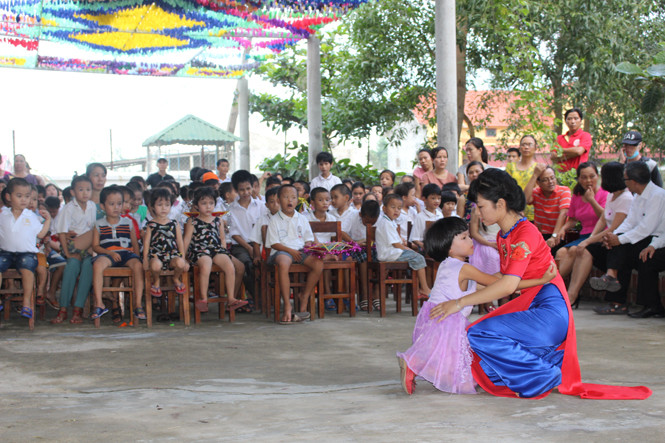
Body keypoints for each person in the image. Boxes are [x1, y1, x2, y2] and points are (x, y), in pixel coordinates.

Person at [428, 168, 652, 400]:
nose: (477, 212)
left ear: (501, 204)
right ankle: (551, 362)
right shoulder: (505, 235)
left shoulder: (524, 234)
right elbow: (501, 280)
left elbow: (506, 286)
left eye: (481, 206)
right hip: (533, 309)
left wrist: (459, 302)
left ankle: (546, 373)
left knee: (477, 334)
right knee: (481, 367)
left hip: (548, 313)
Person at [397, 217, 556, 395]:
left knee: (454, 373)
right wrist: (540, 280)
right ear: (448, 246)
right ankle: (413, 362)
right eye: (464, 238)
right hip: (447, 323)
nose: (471, 240)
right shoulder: (464, 269)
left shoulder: (448, 265)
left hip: (437, 319)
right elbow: (501, 284)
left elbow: (487, 285)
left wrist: (511, 272)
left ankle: (413, 364)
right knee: (462, 381)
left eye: (468, 236)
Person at [589, 161, 665, 315]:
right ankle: (615, 295)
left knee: (630, 251)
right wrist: (614, 236)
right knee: (609, 248)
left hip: (656, 240)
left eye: (625, 179)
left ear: (634, 181)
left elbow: (646, 228)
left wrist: (619, 239)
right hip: (645, 238)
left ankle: (649, 305)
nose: (623, 183)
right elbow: (630, 222)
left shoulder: (658, 196)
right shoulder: (638, 195)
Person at [565, 162, 632, 307]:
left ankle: (573, 295)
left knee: (585, 247)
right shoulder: (612, 196)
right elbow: (603, 219)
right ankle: (572, 294)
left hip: (622, 245)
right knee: (583, 250)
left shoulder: (626, 198)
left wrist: (588, 241)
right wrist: (589, 240)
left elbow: (614, 228)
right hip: (610, 242)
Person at [265, 184, 324, 324]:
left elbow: (308, 239)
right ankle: (287, 305)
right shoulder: (274, 220)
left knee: (318, 263)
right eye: (285, 197)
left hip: (300, 250)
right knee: (284, 264)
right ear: (278, 200)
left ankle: (304, 295)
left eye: (293, 197)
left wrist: (310, 245)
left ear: (298, 201)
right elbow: (274, 243)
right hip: (282, 251)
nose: (289, 200)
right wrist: (290, 251)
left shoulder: (302, 218)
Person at [184, 187, 247, 313]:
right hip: (200, 250)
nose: (208, 206)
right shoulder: (192, 221)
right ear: (196, 205)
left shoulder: (218, 220)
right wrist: (183, 257)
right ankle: (203, 298)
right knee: (206, 265)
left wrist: (224, 252)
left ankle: (231, 298)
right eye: (204, 203)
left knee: (230, 266)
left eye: (211, 203)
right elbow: (186, 240)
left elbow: (222, 238)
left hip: (217, 249)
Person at [90, 186, 146, 321]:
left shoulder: (128, 222)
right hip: (107, 254)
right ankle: (99, 304)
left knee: (138, 266)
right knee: (97, 265)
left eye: (119, 204)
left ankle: (137, 304)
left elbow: (134, 243)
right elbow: (95, 246)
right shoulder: (99, 224)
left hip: (126, 254)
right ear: (102, 206)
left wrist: (138, 258)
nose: (116, 207)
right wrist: (108, 252)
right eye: (111, 204)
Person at [0, 178, 51, 320]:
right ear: (8, 197)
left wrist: (48, 221)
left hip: (27, 253)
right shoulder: (2, 214)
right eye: (19, 196)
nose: (24, 200)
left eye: (27, 196)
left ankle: (26, 301)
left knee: (28, 270)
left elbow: (40, 234)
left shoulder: (32, 216)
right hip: (6, 252)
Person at [52, 175, 96, 325]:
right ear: (72, 192)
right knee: (71, 266)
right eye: (81, 190)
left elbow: (93, 229)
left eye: (88, 190)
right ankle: (63, 309)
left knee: (89, 267)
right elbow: (62, 233)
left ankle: (77, 310)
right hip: (72, 247)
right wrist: (68, 253)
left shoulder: (92, 206)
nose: (85, 193)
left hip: (88, 248)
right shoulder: (68, 208)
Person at [553, 162, 608, 277]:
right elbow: (573, 219)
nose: (588, 181)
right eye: (584, 177)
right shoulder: (577, 196)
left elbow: (605, 218)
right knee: (560, 252)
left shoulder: (605, 193)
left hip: (599, 235)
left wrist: (592, 200)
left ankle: (552, 285)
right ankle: (558, 287)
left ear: (598, 176)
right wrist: (563, 229)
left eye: (592, 176)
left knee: (574, 250)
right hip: (583, 235)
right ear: (578, 179)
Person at [375, 194, 431, 300]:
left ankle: (418, 290)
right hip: (389, 254)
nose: (396, 210)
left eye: (399, 208)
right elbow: (396, 244)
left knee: (416, 259)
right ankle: (424, 288)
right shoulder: (385, 223)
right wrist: (409, 249)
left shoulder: (390, 221)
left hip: (393, 252)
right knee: (419, 258)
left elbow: (397, 240)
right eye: (393, 207)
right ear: (384, 208)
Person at [143, 187, 189, 299]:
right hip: (155, 256)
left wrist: (183, 257)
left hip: (172, 256)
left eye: (167, 204)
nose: (164, 208)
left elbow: (179, 242)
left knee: (180, 263)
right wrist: (145, 260)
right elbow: (147, 243)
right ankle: (157, 280)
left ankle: (175, 278)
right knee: (156, 265)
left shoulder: (174, 223)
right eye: (160, 204)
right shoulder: (151, 224)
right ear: (152, 206)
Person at [227, 171, 262, 303]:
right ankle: (258, 298)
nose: (246, 192)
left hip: (259, 243)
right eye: (242, 190)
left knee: (264, 264)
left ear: (253, 187)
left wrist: (256, 248)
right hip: (240, 246)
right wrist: (249, 248)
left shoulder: (261, 206)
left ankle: (263, 296)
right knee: (247, 265)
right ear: (236, 190)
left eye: (248, 188)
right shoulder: (231, 209)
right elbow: (234, 233)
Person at [341, 200, 381, 311]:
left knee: (385, 257)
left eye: (373, 223)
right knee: (364, 257)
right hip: (356, 247)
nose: (370, 225)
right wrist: (354, 243)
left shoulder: (381, 217)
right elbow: (342, 231)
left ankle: (376, 292)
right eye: (366, 222)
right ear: (360, 215)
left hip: (375, 246)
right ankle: (365, 294)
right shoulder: (353, 214)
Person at [524, 164, 571, 249]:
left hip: (559, 233)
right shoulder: (536, 192)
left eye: (552, 178)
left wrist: (554, 236)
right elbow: (525, 200)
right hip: (541, 235)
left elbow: (563, 214)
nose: (550, 182)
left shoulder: (564, 191)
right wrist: (534, 175)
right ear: (538, 183)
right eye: (545, 180)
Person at [505, 135, 538, 221]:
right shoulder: (510, 166)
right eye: (524, 144)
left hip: (533, 210)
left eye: (530, 145)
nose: (526, 147)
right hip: (514, 210)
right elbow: (506, 188)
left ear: (535, 148)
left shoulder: (538, 167)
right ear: (520, 148)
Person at [551, 108, 592, 172]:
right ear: (565, 121)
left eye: (576, 118)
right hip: (560, 174)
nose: (572, 122)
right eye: (569, 119)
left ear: (581, 121)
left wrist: (559, 149)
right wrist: (573, 154)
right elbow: (553, 156)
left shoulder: (585, 135)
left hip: (578, 174)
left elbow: (578, 151)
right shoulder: (559, 138)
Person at [409, 183, 442, 252]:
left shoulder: (440, 215)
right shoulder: (420, 217)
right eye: (433, 198)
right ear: (424, 199)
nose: (437, 201)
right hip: (425, 248)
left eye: (439, 198)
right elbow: (414, 238)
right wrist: (423, 246)